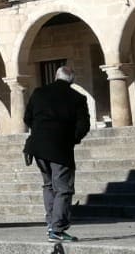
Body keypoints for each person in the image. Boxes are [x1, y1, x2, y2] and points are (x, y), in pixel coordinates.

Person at [25, 65, 92, 242]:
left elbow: (27, 118)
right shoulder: (77, 98)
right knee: (63, 188)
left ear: (56, 76)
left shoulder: (39, 92)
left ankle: (51, 224)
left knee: (48, 185)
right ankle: (57, 229)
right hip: (60, 148)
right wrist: (72, 139)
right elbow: (83, 126)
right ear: (72, 80)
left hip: (38, 147)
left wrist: (40, 131)